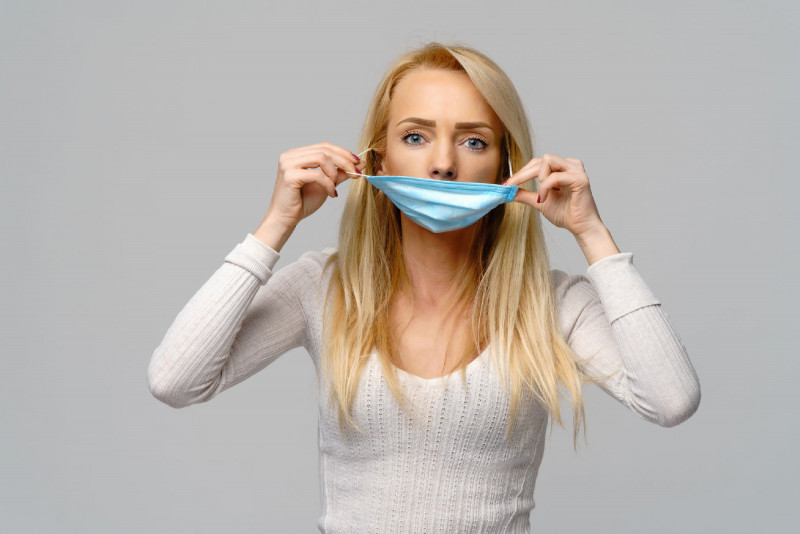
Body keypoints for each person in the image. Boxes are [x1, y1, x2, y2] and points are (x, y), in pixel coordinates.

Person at [147, 42, 701, 533]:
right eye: (416, 136)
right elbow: (175, 380)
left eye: (473, 142)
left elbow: (671, 399)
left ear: (507, 165)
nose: (442, 164)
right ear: (377, 159)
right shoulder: (324, 287)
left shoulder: (552, 302)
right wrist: (275, 225)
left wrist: (592, 232)